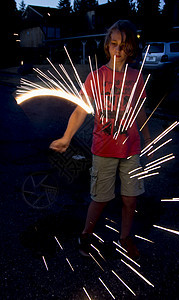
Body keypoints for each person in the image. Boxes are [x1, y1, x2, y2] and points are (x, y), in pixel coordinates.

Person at [49, 20, 151, 260]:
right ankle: (86, 233)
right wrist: (66, 137)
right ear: (107, 46)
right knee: (101, 198)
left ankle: (125, 236)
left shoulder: (136, 77)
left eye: (123, 46)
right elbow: (80, 111)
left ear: (131, 49)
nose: (118, 50)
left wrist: (148, 138)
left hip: (131, 149)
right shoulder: (96, 77)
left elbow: (141, 111)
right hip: (104, 150)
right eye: (114, 44)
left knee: (130, 198)